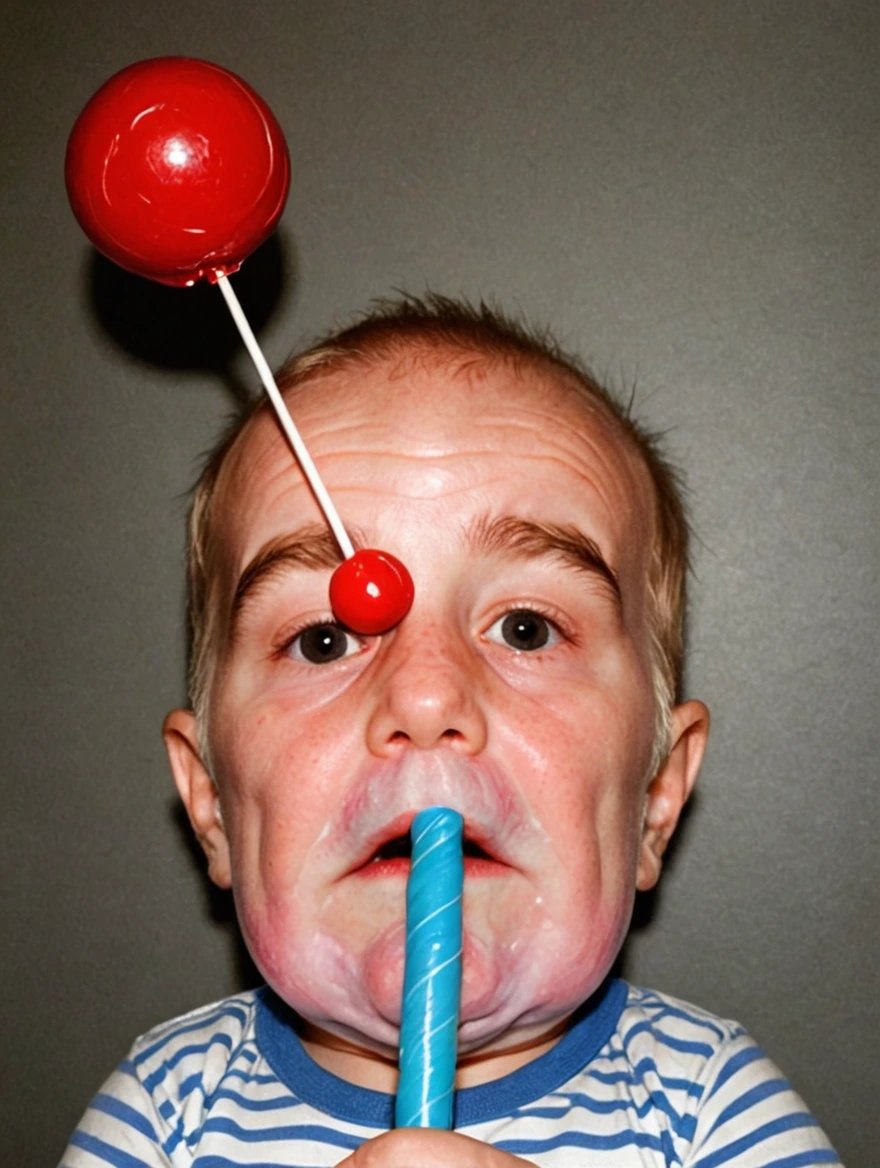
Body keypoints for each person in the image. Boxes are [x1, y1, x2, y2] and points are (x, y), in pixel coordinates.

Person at [61, 296, 841, 1166]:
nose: (426, 698)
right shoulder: (163, 1111)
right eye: (325, 640)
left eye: (526, 629)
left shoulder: (712, 1109)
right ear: (211, 805)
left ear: (656, 799)